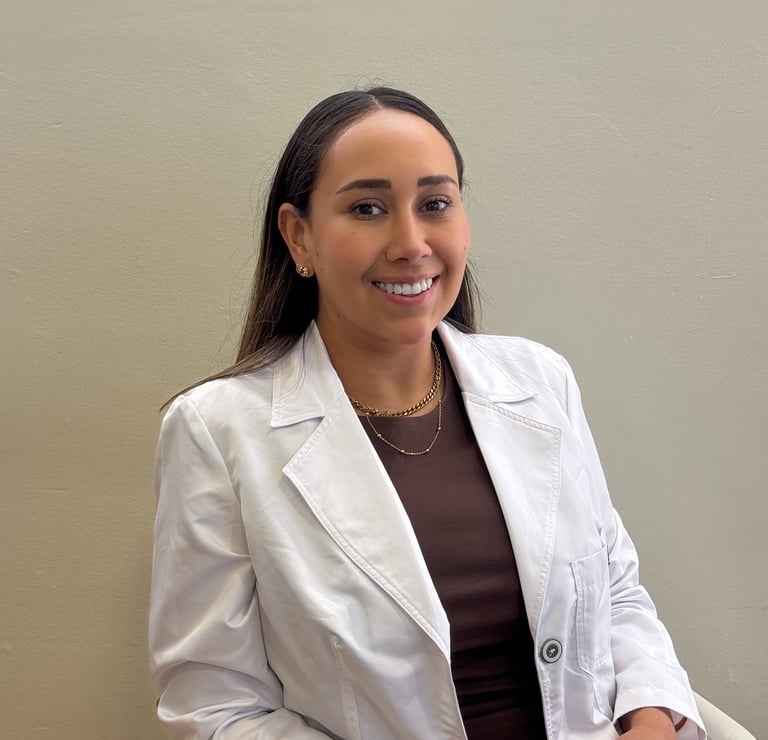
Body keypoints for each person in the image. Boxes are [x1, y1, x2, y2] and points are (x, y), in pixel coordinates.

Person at [149, 87, 705, 739]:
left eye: (435, 204)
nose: (411, 243)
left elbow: (616, 595)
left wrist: (653, 721)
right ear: (299, 237)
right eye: (368, 208)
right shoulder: (216, 431)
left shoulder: (540, 380)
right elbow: (214, 706)